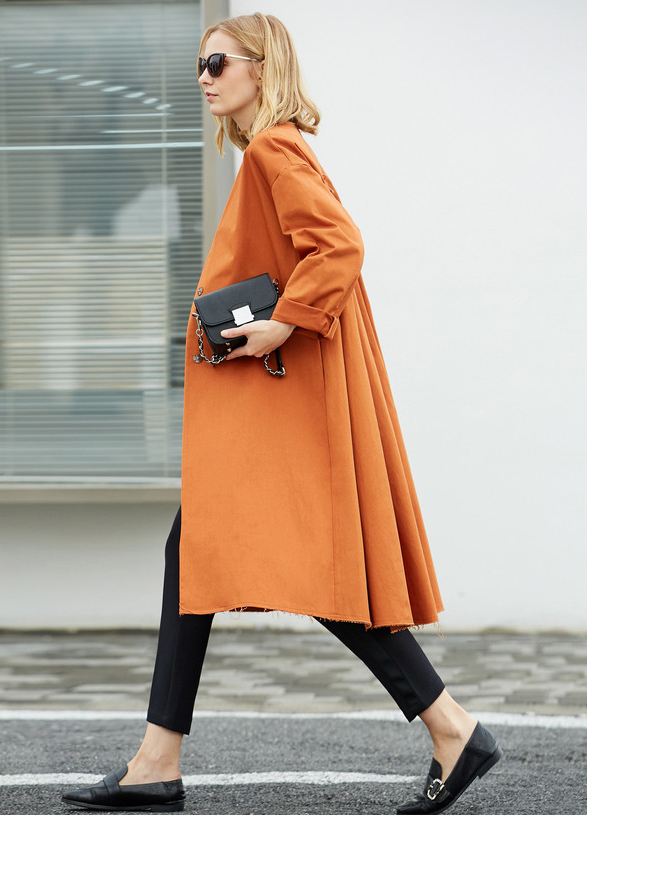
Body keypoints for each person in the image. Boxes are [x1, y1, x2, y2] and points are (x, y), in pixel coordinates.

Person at [62, 12, 502, 816]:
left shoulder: (272, 149)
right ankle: (160, 756)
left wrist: (281, 324)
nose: (204, 76)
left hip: (279, 402)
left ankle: (449, 723)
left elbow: (339, 244)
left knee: (289, 560)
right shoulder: (269, 150)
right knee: (201, 550)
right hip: (277, 400)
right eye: (199, 64)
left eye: (218, 62)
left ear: (261, 68)